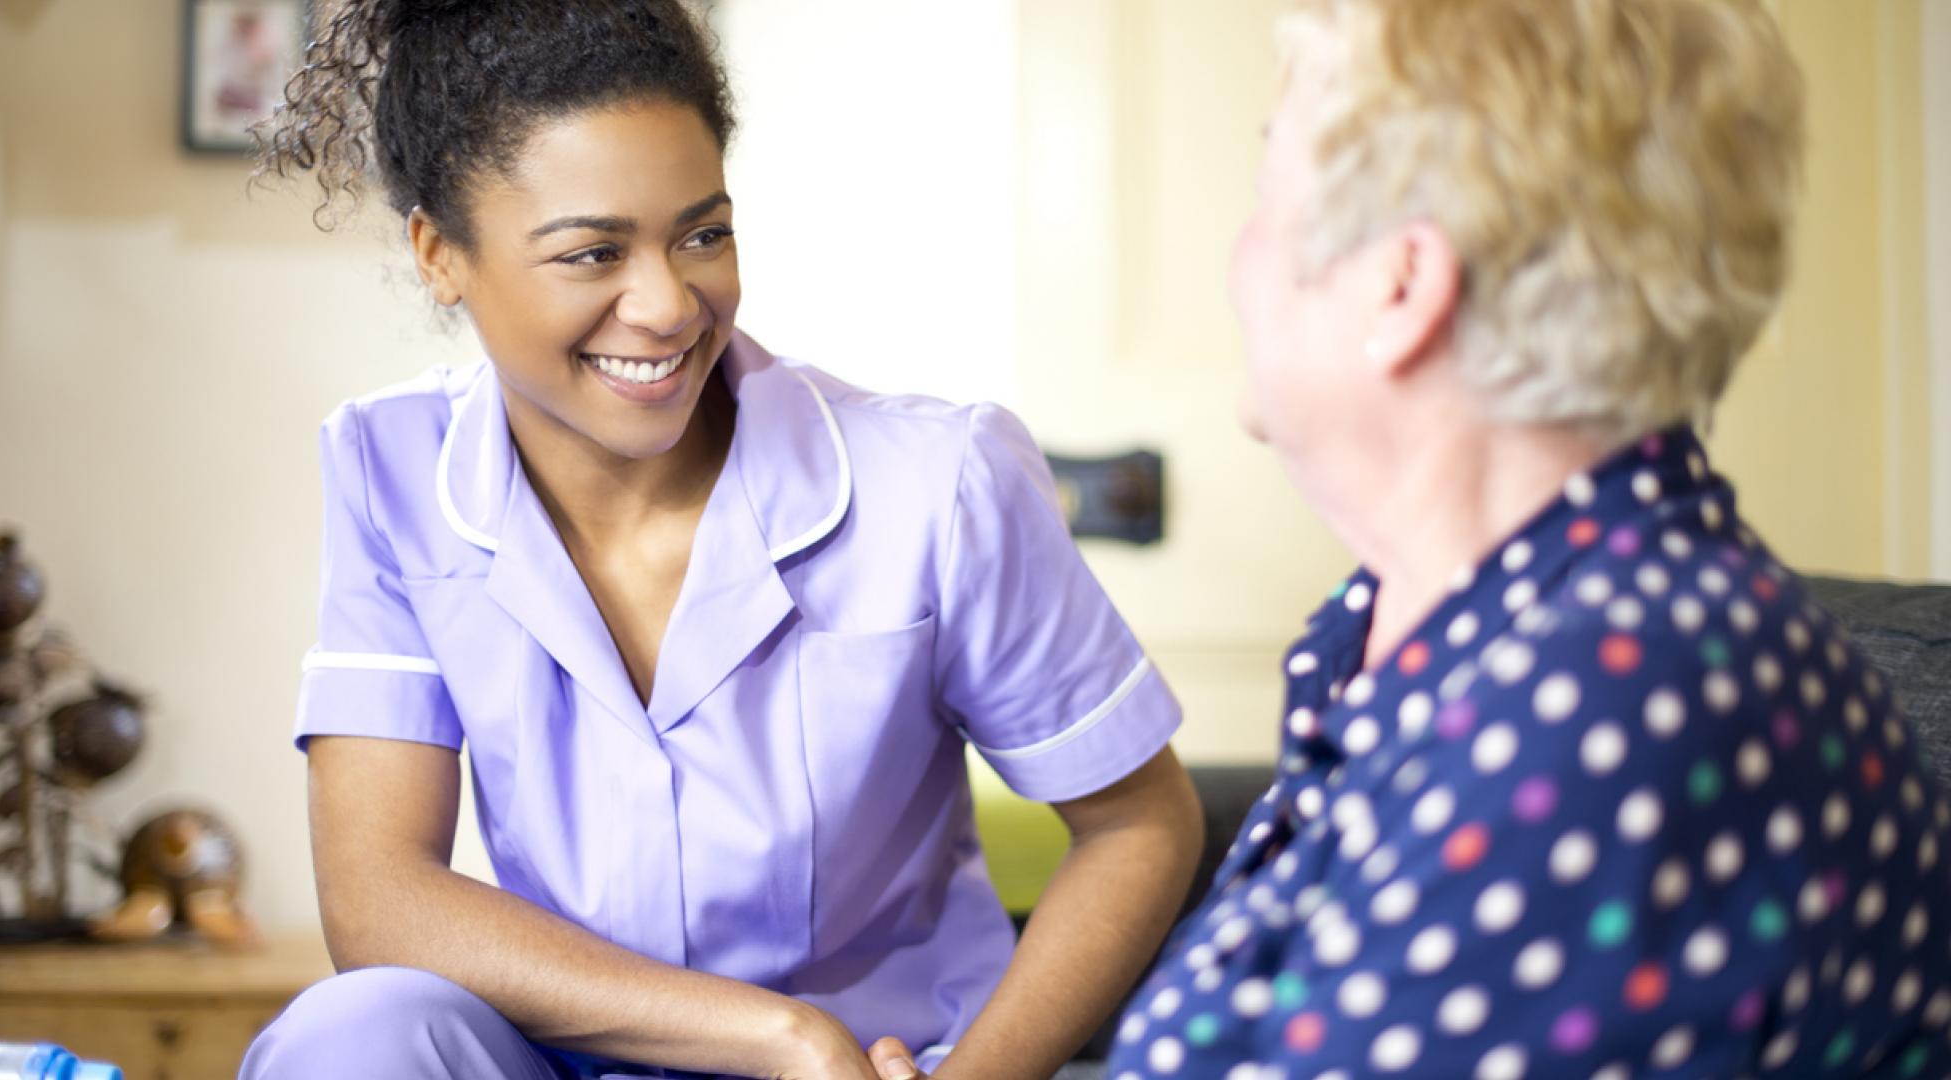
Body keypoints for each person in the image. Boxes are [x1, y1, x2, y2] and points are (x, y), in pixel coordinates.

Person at [238, 3, 1202, 1078]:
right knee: (350, 1039)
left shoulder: (939, 483)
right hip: (589, 1062)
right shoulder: (390, 470)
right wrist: (779, 1036)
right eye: (592, 252)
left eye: (702, 233)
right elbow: (380, 900)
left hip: (898, 1069)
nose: (665, 305)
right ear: (439, 254)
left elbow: (1138, 825)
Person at [1106, 0, 1951, 1076]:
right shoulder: (1405, 627)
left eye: (1264, 191)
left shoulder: (1627, 692)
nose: (1237, 254)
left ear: (1400, 286)